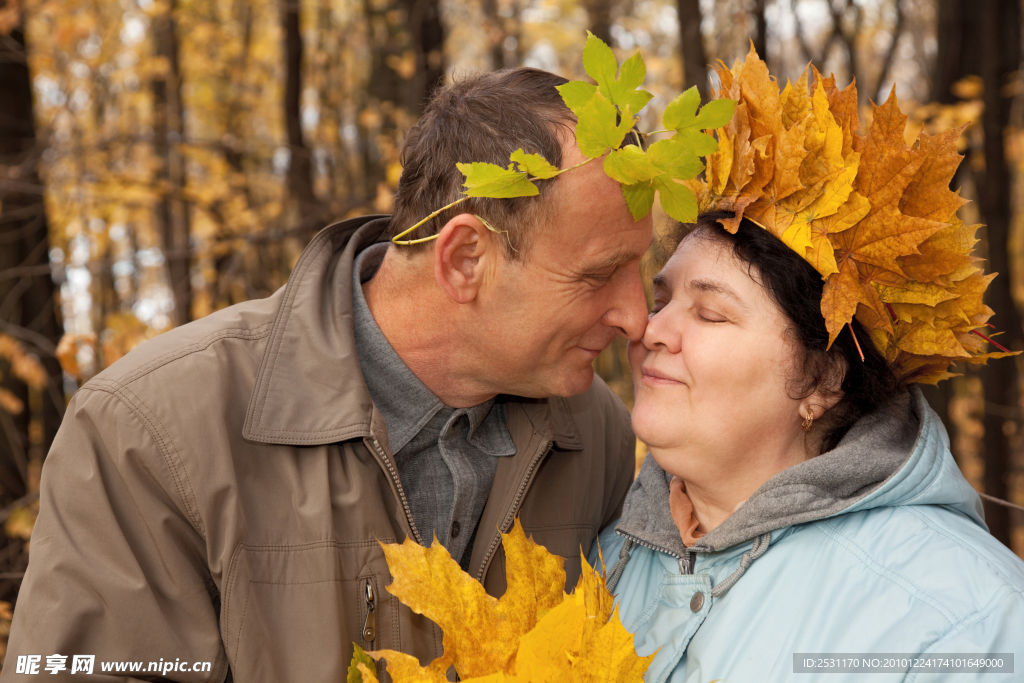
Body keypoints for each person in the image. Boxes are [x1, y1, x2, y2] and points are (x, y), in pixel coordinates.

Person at [5, 68, 650, 681]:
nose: (637, 316)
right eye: (598, 275)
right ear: (464, 260)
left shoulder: (595, 434)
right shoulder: (149, 432)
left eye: (639, 269)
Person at [593, 56, 1024, 682]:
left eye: (710, 314)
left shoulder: (960, 621)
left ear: (822, 380)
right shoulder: (604, 559)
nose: (651, 330)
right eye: (661, 301)